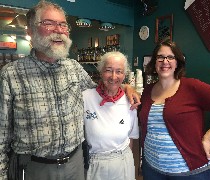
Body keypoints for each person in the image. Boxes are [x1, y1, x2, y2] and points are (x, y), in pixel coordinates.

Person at [0, 1, 140, 180]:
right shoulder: (11, 74)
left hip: (75, 165)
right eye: (49, 23)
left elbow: (100, 91)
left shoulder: (73, 67)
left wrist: (126, 87)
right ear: (30, 31)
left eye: (63, 24)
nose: (58, 30)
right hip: (35, 167)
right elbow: (2, 135)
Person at [139, 40, 210, 180]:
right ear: (154, 62)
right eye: (160, 57)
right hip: (153, 169)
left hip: (190, 173)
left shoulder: (192, 87)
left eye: (171, 57)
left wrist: (207, 138)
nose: (165, 61)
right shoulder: (147, 90)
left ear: (177, 62)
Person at [82, 51, 139, 180]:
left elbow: (131, 138)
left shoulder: (130, 101)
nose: (113, 77)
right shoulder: (86, 97)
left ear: (124, 75)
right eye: (109, 70)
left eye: (119, 71)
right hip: (95, 163)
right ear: (101, 72)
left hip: (123, 162)